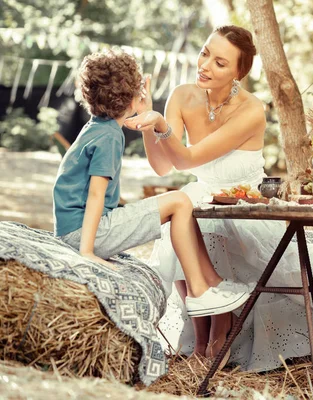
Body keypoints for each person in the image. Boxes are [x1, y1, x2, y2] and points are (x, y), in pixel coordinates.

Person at [124, 25, 313, 370]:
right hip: (203, 195)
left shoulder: (250, 110)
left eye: (220, 63)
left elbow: (187, 158)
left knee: (199, 221)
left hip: (245, 201)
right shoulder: (181, 95)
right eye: (205, 53)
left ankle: (223, 321)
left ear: (239, 72)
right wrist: (148, 122)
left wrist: (162, 126)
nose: (205, 65)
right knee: (180, 214)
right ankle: (202, 335)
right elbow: (162, 166)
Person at [52, 49, 251, 326]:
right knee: (180, 201)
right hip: (87, 234)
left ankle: (206, 286)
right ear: (133, 95)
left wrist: (144, 113)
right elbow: (96, 193)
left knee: (178, 204)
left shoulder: (96, 128)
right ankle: (200, 290)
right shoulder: (110, 137)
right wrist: (86, 252)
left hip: (74, 229)